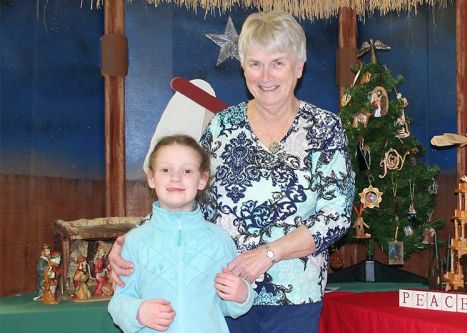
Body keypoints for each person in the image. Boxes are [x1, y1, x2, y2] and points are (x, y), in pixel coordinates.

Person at [110, 10, 354, 332]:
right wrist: (135, 239)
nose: (265, 75)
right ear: (243, 68)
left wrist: (267, 254)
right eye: (255, 63)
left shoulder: (325, 128)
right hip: (220, 291)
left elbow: (335, 216)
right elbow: (192, 189)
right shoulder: (223, 126)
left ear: (299, 67)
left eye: (277, 63)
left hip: (295, 297)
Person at [108, 135, 254, 333]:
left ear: (202, 180)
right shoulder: (134, 241)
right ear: (151, 178)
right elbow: (118, 302)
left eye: (187, 170)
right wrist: (139, 311)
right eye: (165, 170)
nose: (175, 177)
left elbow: (226, 306)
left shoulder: (220, 240)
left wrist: (242, 295)